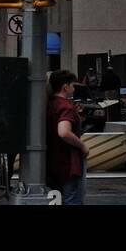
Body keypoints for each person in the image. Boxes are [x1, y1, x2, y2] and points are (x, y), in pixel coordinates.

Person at [46, 69, 89, 205]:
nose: (74, 88)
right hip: (69, 164)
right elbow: (64, 132)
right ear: (65, 87)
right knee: (72, 200)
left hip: (52, 164)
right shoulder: (66, 107)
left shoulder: (49, 104)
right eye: (73, 85)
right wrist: (82, 146)